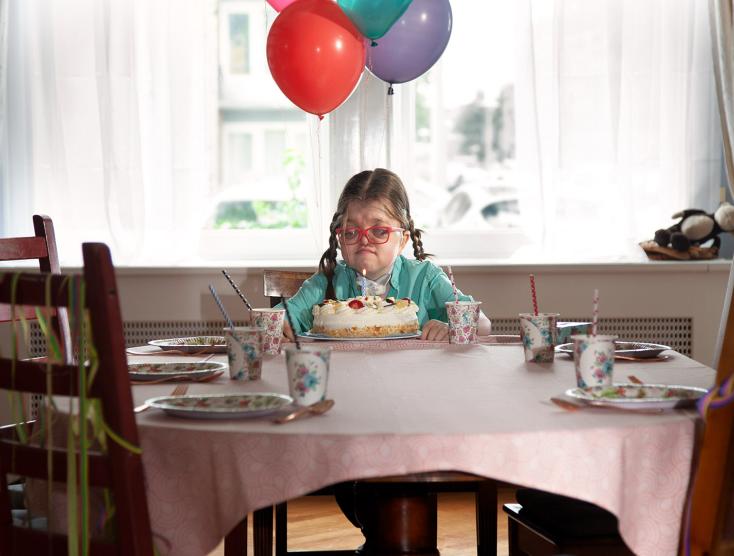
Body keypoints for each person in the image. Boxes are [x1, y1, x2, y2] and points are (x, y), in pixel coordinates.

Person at [280, 168, 491, 341]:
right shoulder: (326, 281)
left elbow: (482, 324)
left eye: (379, 231)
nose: (364, 240)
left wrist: (449, 328)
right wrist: (282, 325)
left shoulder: (425, 278)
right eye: (351, 232)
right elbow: (278, 318)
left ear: (403, 240)